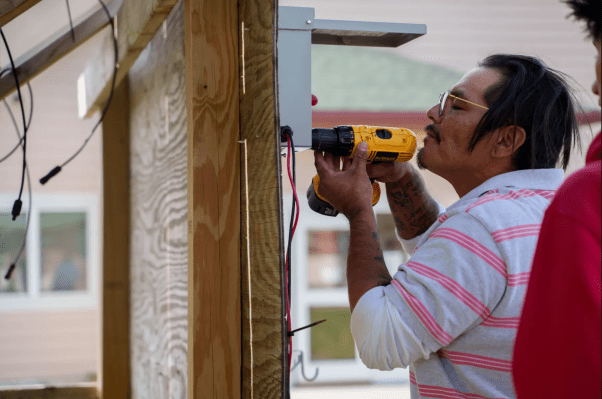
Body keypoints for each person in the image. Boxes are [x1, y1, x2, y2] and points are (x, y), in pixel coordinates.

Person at [314, 54, 580, 398]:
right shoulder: (549, 209)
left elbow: (380, 339)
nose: (433, 113)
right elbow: (451, 262)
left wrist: (358, 211)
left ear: (506, 140)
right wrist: (399, 181)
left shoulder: (481, 226)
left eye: (456, 106)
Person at [512, 1, 601, 397]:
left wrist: (361, 214)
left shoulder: (586, 199)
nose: (595, 86)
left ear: (508, 138)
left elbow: (558, 377)